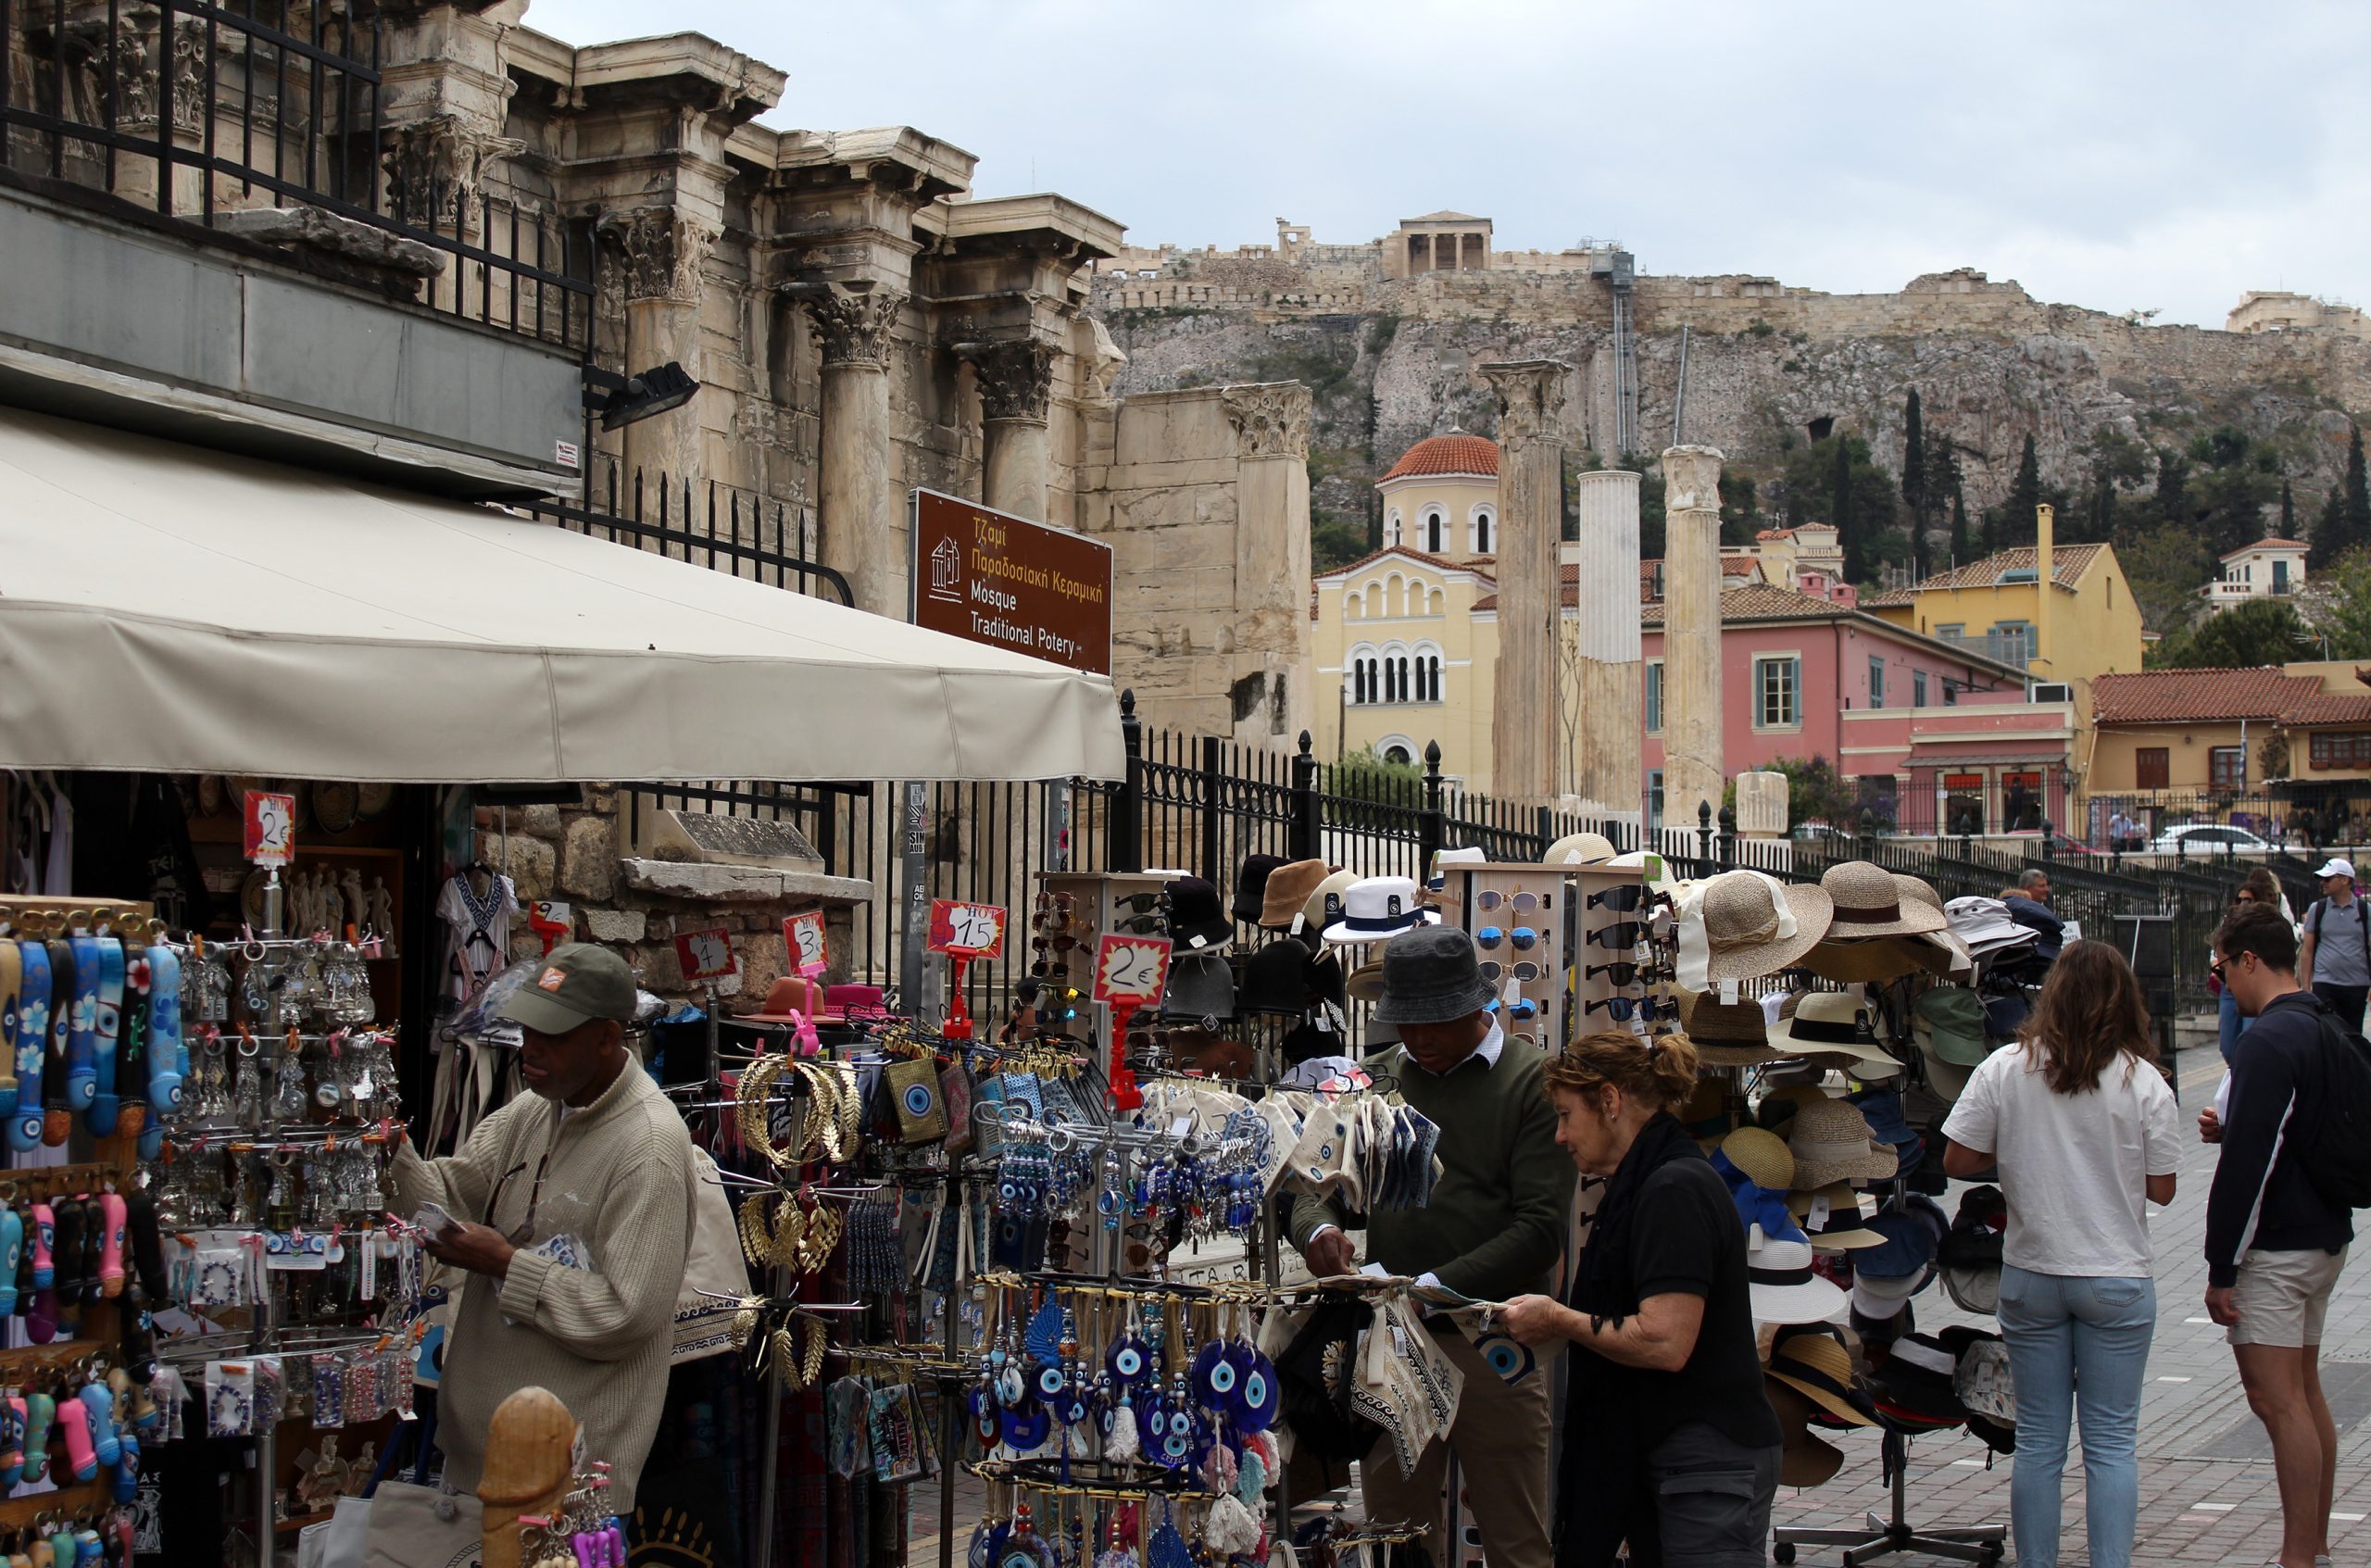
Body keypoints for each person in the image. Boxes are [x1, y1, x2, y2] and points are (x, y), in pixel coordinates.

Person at [1290, 924, 1570, 1568]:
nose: (1419, 1039)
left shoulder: (1533, 1082)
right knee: (1396, 1534)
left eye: (1435, 1023)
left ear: (1478, 1007)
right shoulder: (1377, 1080)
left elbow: (1538, 1230)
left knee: (1516, 1534)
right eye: (1407, 1024)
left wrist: (1430, 1287)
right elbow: (1313, 1182)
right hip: (1396, 1344)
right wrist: (1319, 1230)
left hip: (1490, 1336)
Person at [391, 944, 696, 1517]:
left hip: (568, 1494)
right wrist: (392, 1154)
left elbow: (626, 1316)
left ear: (607, 1037)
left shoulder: (648, 1148)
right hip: (480, 1470)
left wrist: (505, 1264)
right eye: (528, 1028)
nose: (529, 1048)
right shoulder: (536, 1108)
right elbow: (448, 1195)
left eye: (551, 1035)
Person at [1939, 941, 2182, 1568]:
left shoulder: (2004, 1067)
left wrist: (2022, 1153)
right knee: (2110, 1443)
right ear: (2124, 1002)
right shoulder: (2144, 1080)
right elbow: (2163, 1187)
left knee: (2042, 1439)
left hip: (2033, 1272)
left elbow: (1958, 1159)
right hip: (2116, 1275)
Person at [1499, 1032, 1780, 1568]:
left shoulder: (1670, 1189)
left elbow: (1665, 1341)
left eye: (1565, 1115)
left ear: (1609, 1101)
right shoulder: (1652, 1180)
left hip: (1705, 1462)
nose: (1560, 1136)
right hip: (1684, 1456)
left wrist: (1558, 1318)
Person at [2202, 903, 2354, 1568]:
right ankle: (2313, 1546)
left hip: (2279, 1245)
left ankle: (2298, 1558)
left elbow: (2252, 1162)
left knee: (2276, 1399)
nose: (2222, 985)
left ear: (2248, 960)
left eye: (2220, 969)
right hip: (2324, 1231)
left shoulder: (2266, 1039)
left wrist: (2220, 1265)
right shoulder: (2324, 1020)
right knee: (2306, 1392)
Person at [2217, 870, 2292, 1065]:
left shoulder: (2266, 923)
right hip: (2231, 982)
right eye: (2239, 899)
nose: (2242, 904)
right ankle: (2238, 1070)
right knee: (2227, 1045)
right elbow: (2217, 949)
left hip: (2253, 983)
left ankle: (2245, 1068)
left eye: (2248, 900)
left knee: (2249, 1037)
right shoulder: (2230, 921)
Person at [2298, 857, 2369, 1032]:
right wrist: (2305, 985)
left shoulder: (2365, 910)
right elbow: (2307, 950)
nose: (2323, 883)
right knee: (2328, 1033)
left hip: (2356, 984)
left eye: (2328, 879)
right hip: (2325, 983)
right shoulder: (2318, 909)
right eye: (2322, 879)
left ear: (2345, 880)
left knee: (2352, 1036)